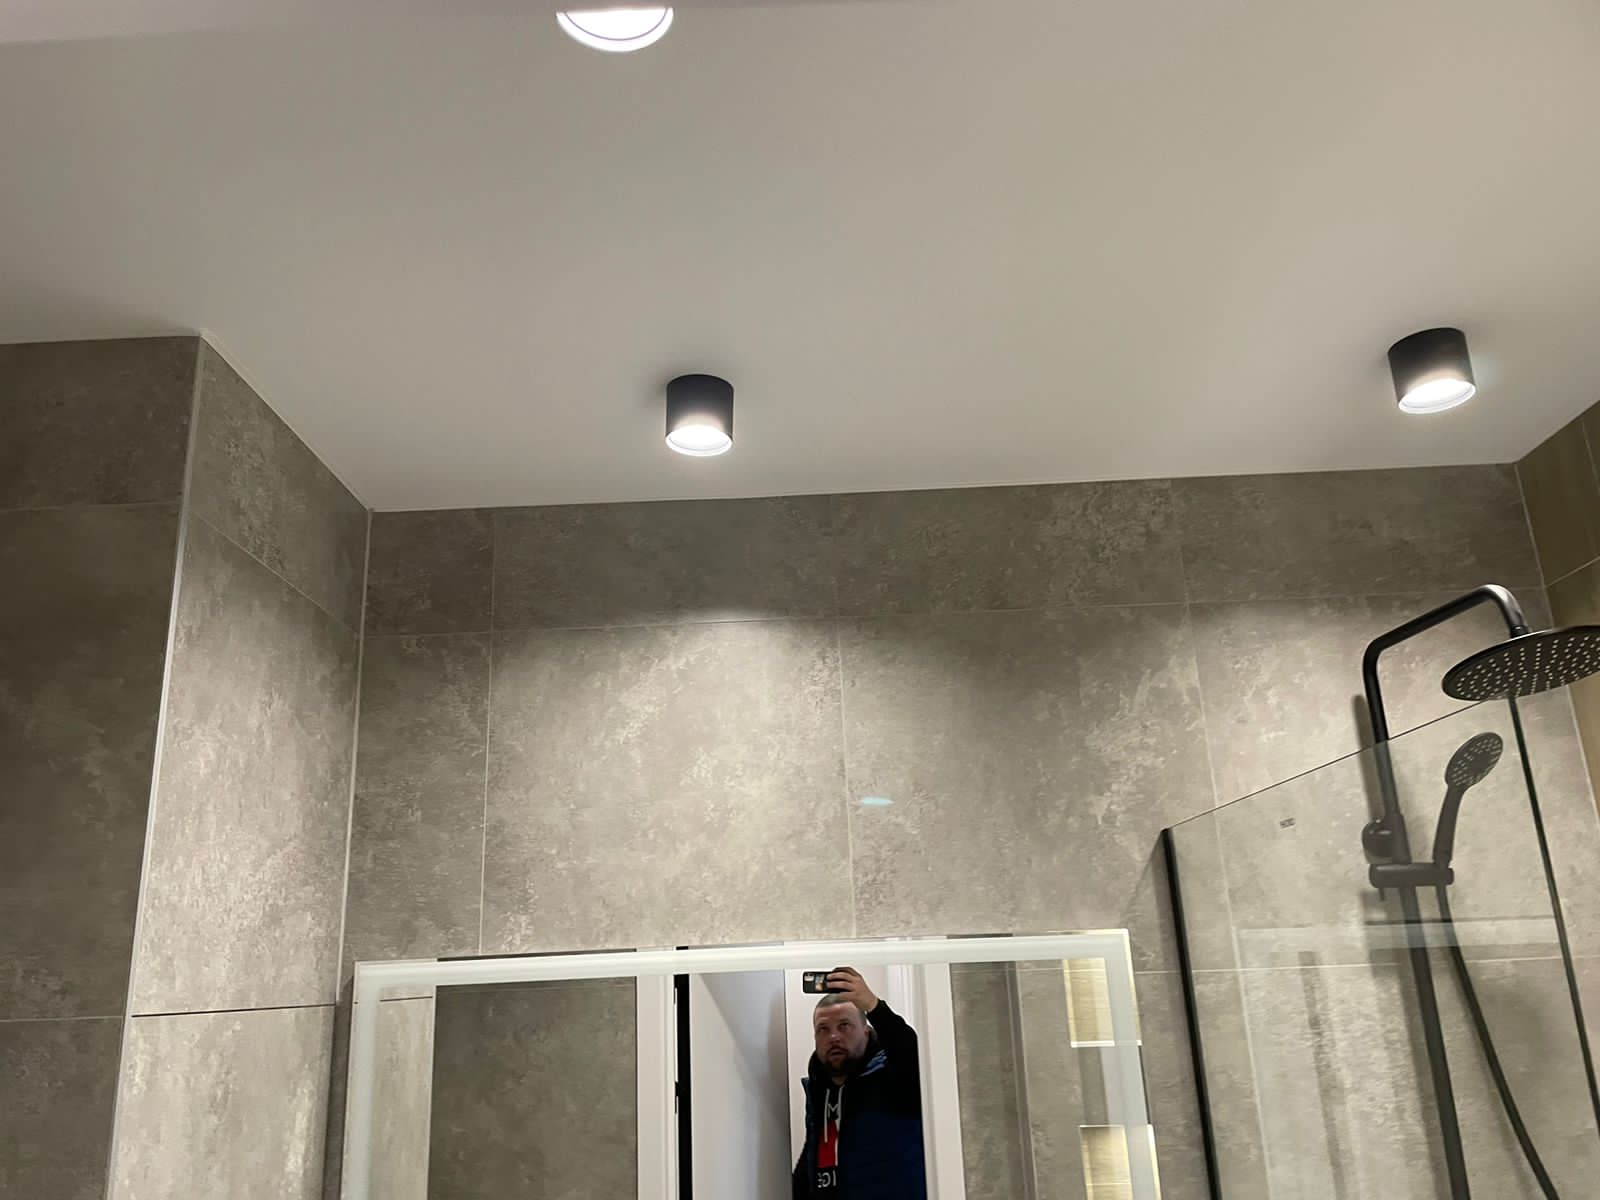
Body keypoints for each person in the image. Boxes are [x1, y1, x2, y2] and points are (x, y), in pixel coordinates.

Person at [793, 967, 927, 1200]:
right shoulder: (819, 1090)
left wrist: (873, 1006)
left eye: (844, 1025)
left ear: (866, 1031)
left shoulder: (893, 1077)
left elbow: (909, 1050)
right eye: (823, 1029)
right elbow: (814, 1165)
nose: (833, 1037)